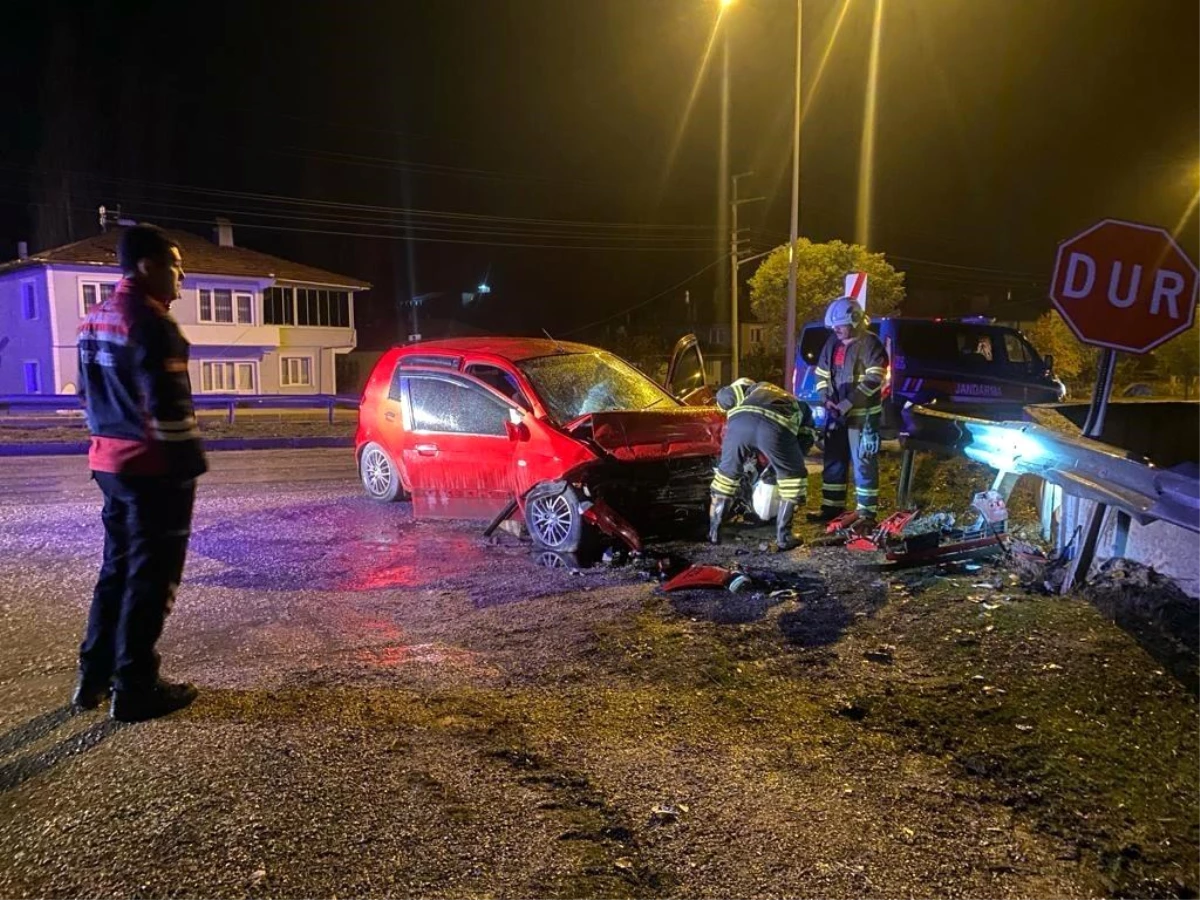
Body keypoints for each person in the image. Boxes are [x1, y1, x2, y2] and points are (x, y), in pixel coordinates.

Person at [74, 224, 207, 722]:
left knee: (117, 569)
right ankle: (135, 686)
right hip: (154, 470)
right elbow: (169, 411)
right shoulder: (152, 324)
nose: (181, 278)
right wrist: (188, 469)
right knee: (153, 578)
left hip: (108, 464)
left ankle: (93, 676)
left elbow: (87, 398)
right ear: (147, 266)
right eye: (176, 266)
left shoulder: (94, 320)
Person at [709, 378, 816, 550]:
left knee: (725, 477)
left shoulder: (750, 389)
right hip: (775, 428)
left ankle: (714, 532)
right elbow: (805, 439)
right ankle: (784, 537)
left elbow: (724, 396)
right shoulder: (799, 404)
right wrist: (782, 466)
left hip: (740, 426)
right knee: (794, 480)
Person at [809, 296, 888, 526]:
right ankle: (831, 509)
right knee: (833, 461)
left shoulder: (871, 344)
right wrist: (826, 399)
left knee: (863, 462)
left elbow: (874, 378)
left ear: (854, 321)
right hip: (836, 416)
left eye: (840, 325)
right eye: (834, 326)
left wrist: (848, 402)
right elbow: (821, 375)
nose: (836, 329)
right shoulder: (832, 343)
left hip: (862, 418)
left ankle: (866, 513)